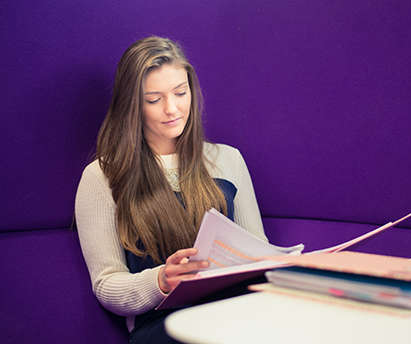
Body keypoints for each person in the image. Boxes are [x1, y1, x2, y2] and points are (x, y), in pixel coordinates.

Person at [75, 36, 268, 343]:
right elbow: (107, 286)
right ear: (132, 106)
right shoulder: (101, 176)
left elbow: (260, 253)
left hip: (237, 313)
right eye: (154, 100)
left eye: (181, 92)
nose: (172, 108)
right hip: (165, 326)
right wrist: (161, 280)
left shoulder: (228, 160)